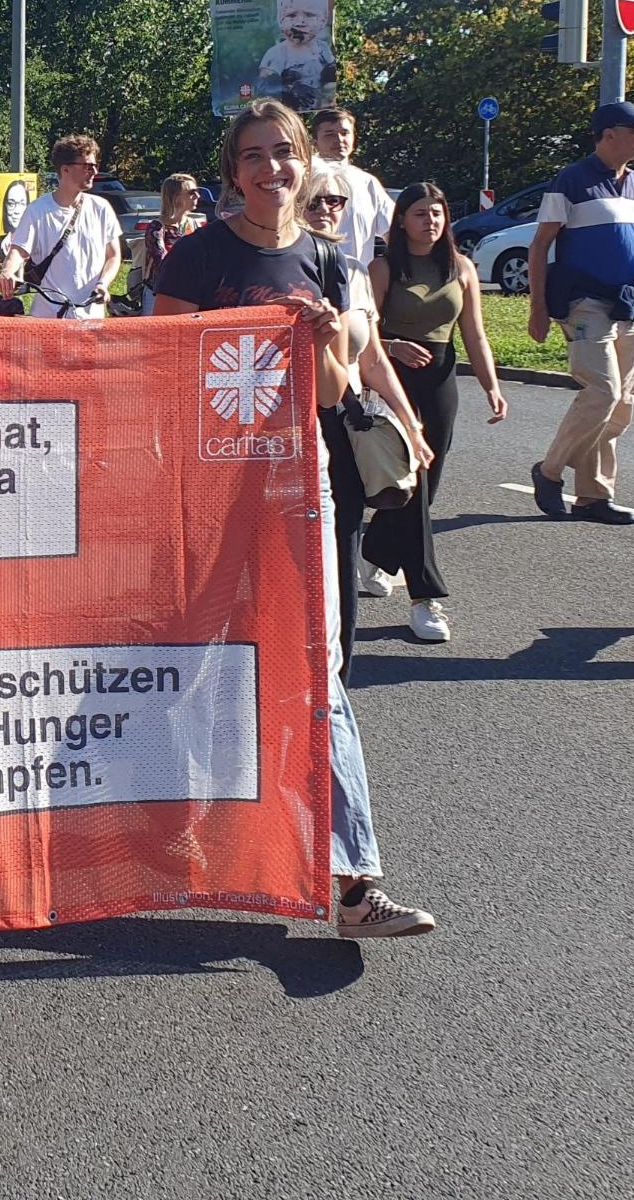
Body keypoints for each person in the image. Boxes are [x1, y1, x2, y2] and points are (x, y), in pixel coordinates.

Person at [152, 100, 435, 939]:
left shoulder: (327, 260)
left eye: (284, 154)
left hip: (294, 488)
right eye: (254, 157)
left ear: (305, 160)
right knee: (203, 659)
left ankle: (352, 882)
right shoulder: (199, 256)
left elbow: (332, 394)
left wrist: (321, 342)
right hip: (208, 487)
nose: (272, 169)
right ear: (231, 171)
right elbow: (156, 369)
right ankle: (188, 827)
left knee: (319, 665)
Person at [297, 165, 437, 664]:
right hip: (289, 429)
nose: (328, 210)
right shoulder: (280, 268)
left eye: (336, 201)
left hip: (347, 427)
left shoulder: (353, 273)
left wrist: (410, 423)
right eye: (315, 202)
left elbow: (373, 359)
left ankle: (337, 673)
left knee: (341, 548)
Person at [359, 182, 508, 643]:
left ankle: (377, 551)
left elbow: (475, 335)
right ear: (402, 220)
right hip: (393, 375)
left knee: (428, 482)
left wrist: (492, 386)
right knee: (414, 483)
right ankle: (425, 598)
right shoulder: (382, 268)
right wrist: (391, 345)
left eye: (438, 213)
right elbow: (361, 334)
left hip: (441, 377)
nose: (431, 221)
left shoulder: (460, 268)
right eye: (421, 213)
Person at [527, 100, 634, 525]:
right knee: (603, 392)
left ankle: (594, 497)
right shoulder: (572, 180)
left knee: (620, 407)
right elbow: (540, 245)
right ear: (608, 135)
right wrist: (537, 307)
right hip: (585, 304)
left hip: (632, 304)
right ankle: (549, 471)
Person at [0, 135, 123, 321]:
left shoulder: (101, 208)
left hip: (91, 318)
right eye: (87, 166)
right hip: (49, 319)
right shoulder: (37, 210)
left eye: (95, 165)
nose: (94, 171)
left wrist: (103, 284)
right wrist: (7, 272)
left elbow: (113, 255)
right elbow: (19, 250)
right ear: (65, 169)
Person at [311, 107, 395, 269]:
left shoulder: (368, 183)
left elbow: (394, 234)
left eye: (345, 133)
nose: (339, 139)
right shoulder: (301, 181)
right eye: (329, 134)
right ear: (314, 143)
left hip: (358, 282)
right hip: (312, 280)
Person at [133, 173, 205, 312]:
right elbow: (163, 263)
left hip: (188, 294)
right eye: (191, 193)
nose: (197, 196)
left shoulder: (195, 225)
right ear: (175, 197)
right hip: (159, 294)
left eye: (197, 192)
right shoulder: (157, 227)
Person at [260, 0, 333, 111]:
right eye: (291, 15)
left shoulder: (323, 49)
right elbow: (264, 86)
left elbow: (330, 79)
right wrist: (289, 88)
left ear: (323, 20)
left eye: (309, 15)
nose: (300, 22)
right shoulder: (277, 54)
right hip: (285, 114)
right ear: (279, 19)